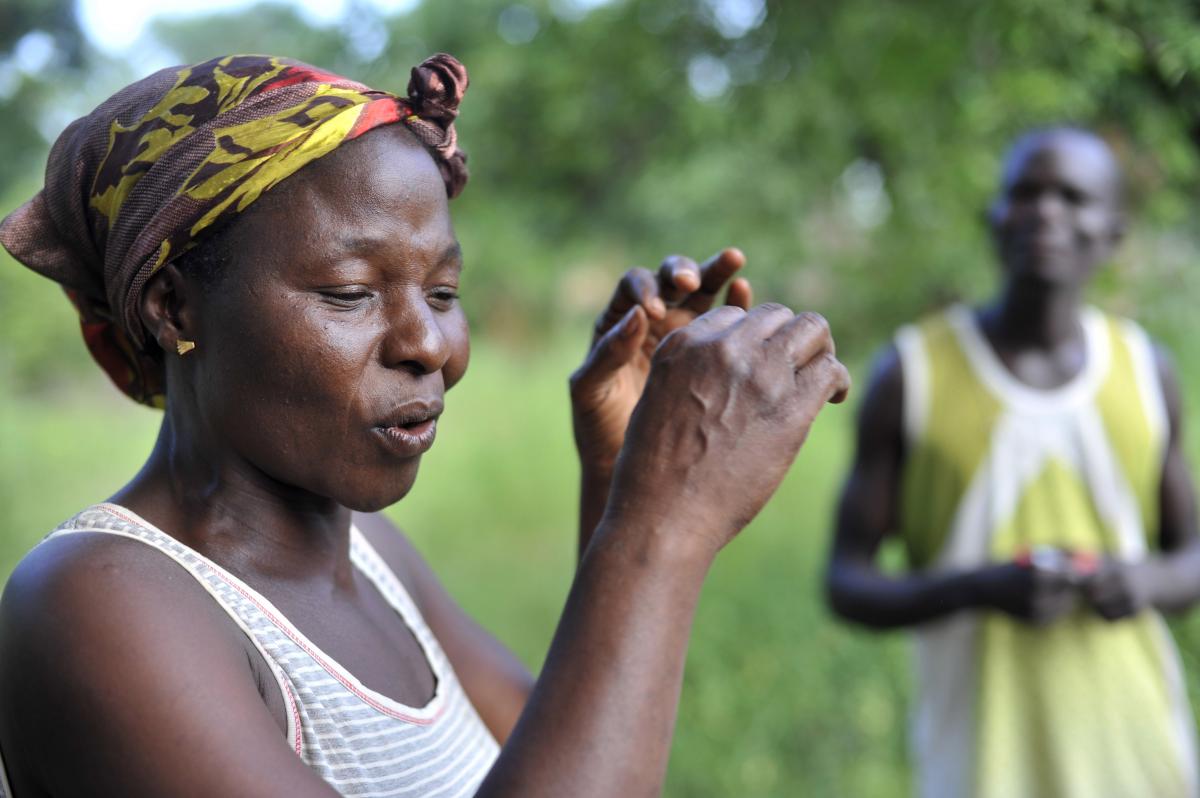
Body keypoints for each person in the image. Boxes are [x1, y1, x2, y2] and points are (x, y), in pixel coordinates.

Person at [0, 53, 850, 797]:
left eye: (442, 293)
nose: (428, 345)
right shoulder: (96, 605)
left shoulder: (370, 553)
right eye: (349, 293)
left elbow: (568, 757)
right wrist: (666, 524)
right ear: (172, 305)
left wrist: (621, 483)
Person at [826, 127, 1200, 798]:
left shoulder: (1148, 371)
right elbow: (846, 581)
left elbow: (1191, 558)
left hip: (1141, 756)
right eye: (1025, 192)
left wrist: (1136, 582)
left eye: (1073, 197)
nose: (1046, 212)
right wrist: (975, 588)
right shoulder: (912, 373)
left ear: (1114, 232)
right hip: (978, 763)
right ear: (995, 218)